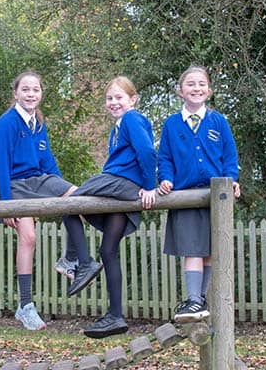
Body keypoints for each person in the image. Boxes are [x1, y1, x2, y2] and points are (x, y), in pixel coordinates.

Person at [0, 71, 88, 330]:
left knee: (77, 197)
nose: (31, 94)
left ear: (41, 94)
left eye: (35, 90)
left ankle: (69, 259)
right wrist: (7, 204)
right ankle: (25, 306)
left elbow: (48, 162)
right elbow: (1, 165)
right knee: (29, 237)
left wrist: (61, 189)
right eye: (26, 90)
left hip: (38, 179)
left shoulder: (38, 123)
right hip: (13, 185)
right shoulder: (7, 123)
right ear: (16, 93)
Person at [63, 76, 157, 338]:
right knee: (109, 250)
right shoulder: (117, 128)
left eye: (119, 97)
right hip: (122, 187)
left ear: (133, 99)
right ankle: (115, 316)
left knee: (69, 204)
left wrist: (150, 186)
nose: (114, 103)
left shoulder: (132, 119)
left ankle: (83, 262)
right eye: (109, 98)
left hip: (123, 183)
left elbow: (148, 152)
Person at [157, 65, 240, 323]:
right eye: (190, 84)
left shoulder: (218, 122)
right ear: (181, 91)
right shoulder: (172, 124)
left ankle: (199, 301)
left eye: (201, 84)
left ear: (209, 90)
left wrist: (232, 181)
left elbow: (229, 157)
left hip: (215, 197)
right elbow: (165, 157)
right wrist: (166, 179)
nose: (196, 88)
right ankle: (194, 299)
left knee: (209, 251)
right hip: (185, 196)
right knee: (192, 249)